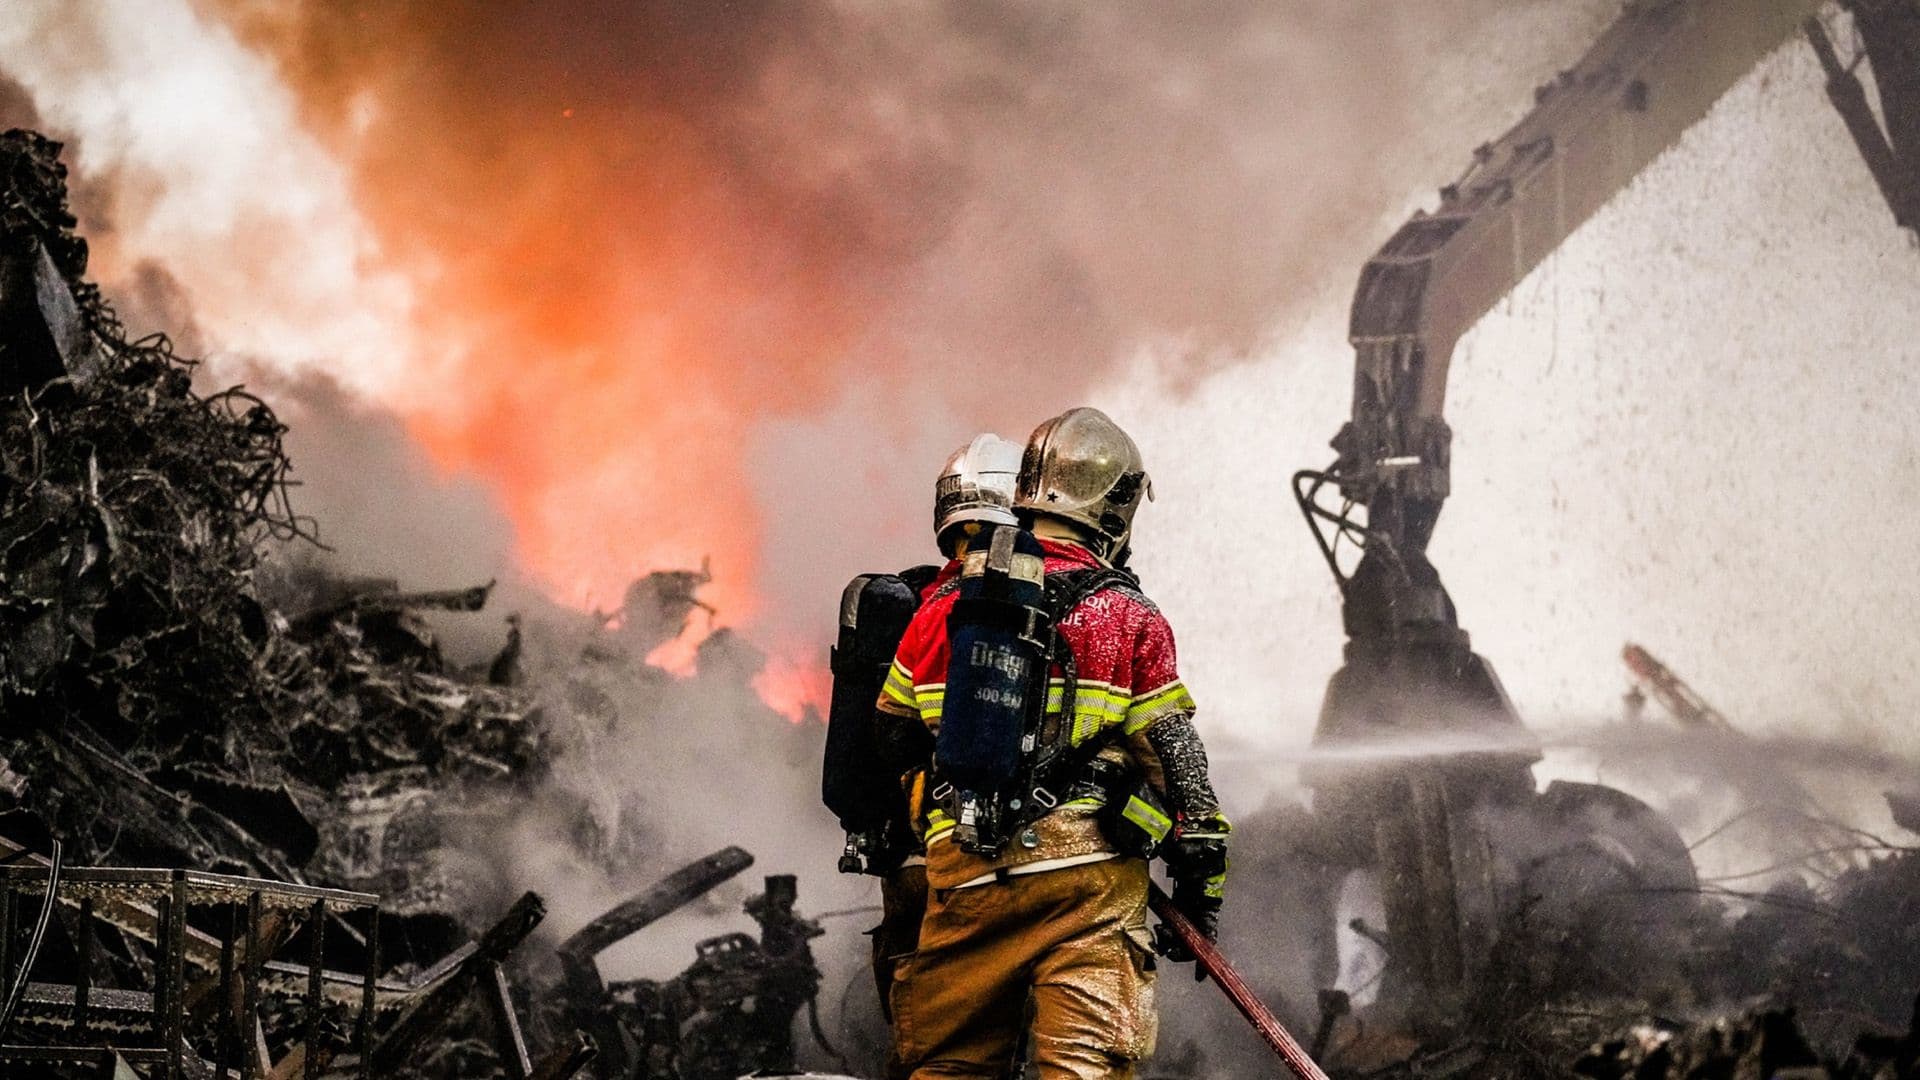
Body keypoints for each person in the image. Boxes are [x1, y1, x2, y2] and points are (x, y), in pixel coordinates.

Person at [877, 407, 1230, 1079]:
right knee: (1084, 1069)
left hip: (964, 880)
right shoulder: (1126, 614)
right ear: (1116, 503)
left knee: (950, 1068)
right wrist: (1201, 887)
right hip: (1085, 892)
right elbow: (1178, 761)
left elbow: (892, 733)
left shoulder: (943, 605)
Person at [826, 434, 1024, 1079]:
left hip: (906, 868)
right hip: (989, 865)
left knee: (922, 1052)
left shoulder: (909, 603)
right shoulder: (1008, 611)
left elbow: (885, 733)